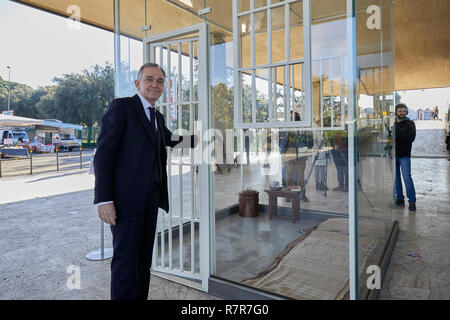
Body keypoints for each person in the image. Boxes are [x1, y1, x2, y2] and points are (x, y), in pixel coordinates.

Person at [93, 63, 196, 300]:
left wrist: (201, 139)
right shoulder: (122, 108)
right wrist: (104, 199)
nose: (155, 85)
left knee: (143, 260)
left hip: (150, 200)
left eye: (160, 81)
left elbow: (170, 140)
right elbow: (104, 154)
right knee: (126, 261)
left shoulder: (156, 116)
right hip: (124, 203)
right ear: (138, 83)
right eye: (149, 79)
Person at [280, 111, 314, 202]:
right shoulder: (288, 127)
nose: (292, 120)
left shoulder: (304, 127)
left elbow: (310, 141)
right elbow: (284, 139)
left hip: (301, 153)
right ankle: (289, 194)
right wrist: (282, 150)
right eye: (291, 118)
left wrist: (307, 149)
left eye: (293, 118)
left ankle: (302, 194)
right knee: (289, 176)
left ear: (298, 117)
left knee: (300, 176)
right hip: (290, 152)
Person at [393, 103, 416, 211]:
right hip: (394, 155)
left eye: (403, 111)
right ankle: (400, 198)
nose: (401, 113)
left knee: (407, 178)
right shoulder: (393, 124)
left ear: (406, 112)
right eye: (399, 111)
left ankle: (412, 201)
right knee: (396, 178)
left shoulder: (410, 123)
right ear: (396, 112)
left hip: (404, 155)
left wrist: (396, 137)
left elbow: (410, 138)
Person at [331, 115, 348, 192]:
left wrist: (342, 144)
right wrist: (333, 146)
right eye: (337, 119)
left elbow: (349, 139)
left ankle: (347, 186)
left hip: (344, 151)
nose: (339, 120)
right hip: (336, 153)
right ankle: (340, 185)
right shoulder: (334, 128)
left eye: (340, 119)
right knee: (339, 170)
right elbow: (331, 139)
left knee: (346, 170)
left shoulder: (347, 128)